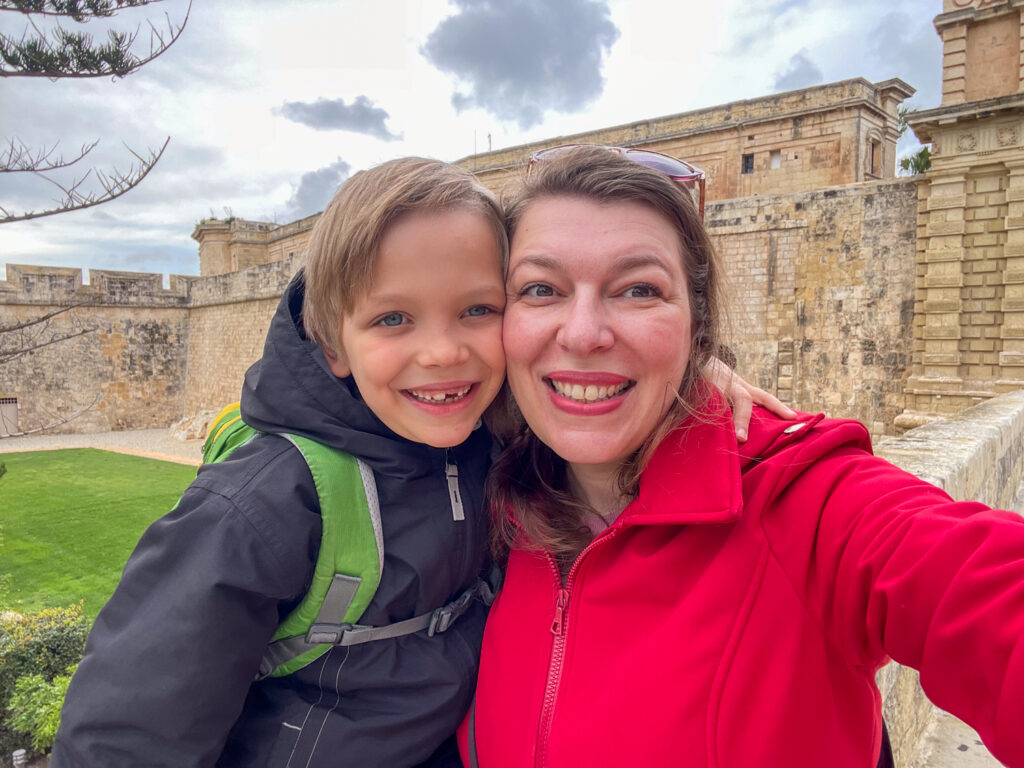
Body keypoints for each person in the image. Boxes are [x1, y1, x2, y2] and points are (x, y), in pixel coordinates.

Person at [51, 155, 779, 768]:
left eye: (477, 311)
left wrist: (693, 371)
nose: (443, 352)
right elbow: (127, 733)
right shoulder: (269, 500)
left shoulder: (495, 437)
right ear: (333, 344)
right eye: (393, 319)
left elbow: (601, 387)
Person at [461, 145, 1024, 768]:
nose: (584, 332)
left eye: (639, 290)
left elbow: (981, 589)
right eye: (541, 289)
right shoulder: (478, 494)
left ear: (696, 326)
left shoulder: (805, 502)